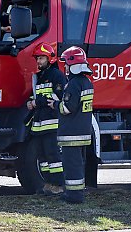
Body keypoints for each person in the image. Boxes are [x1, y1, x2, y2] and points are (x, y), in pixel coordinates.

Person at [47, 46, 94, 204]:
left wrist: (55, 104)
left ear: (73, 64)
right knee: (78, 165)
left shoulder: (73, 84)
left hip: (72, 134)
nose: (65, 68)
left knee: (71, 166)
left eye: (66, 64)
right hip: (83, 131)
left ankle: (74, 197)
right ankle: (76, 194)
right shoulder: (87, 82)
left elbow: (67, 108)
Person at [27, 43, 66, 195]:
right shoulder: (40, 77)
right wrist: (29, 102)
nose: (38, 61)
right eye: (37, 58)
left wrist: (38, 102)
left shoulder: (56, 75)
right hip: (39, 124)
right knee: (42, 157)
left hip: (52, 123)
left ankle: (58, 185)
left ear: (50, 58)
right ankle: (48, 184)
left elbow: (58, 96)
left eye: (41, 58)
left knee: (53, 156)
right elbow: (36, 95)